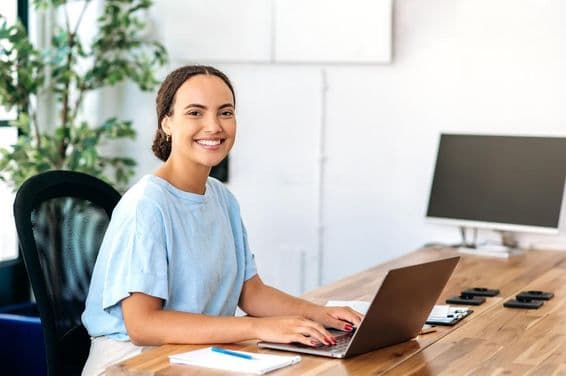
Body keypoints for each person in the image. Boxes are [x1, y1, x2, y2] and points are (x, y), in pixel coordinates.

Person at [81, 65, 363, 375]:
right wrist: (259, 329)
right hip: (133, 362)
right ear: (167, 123)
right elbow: (143, 325)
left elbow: (251, 292)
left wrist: (320, 314)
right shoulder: (146, 206)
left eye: (225, 112)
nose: (213, 126)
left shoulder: (221, 198)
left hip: (197, 354)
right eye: (195, 113)